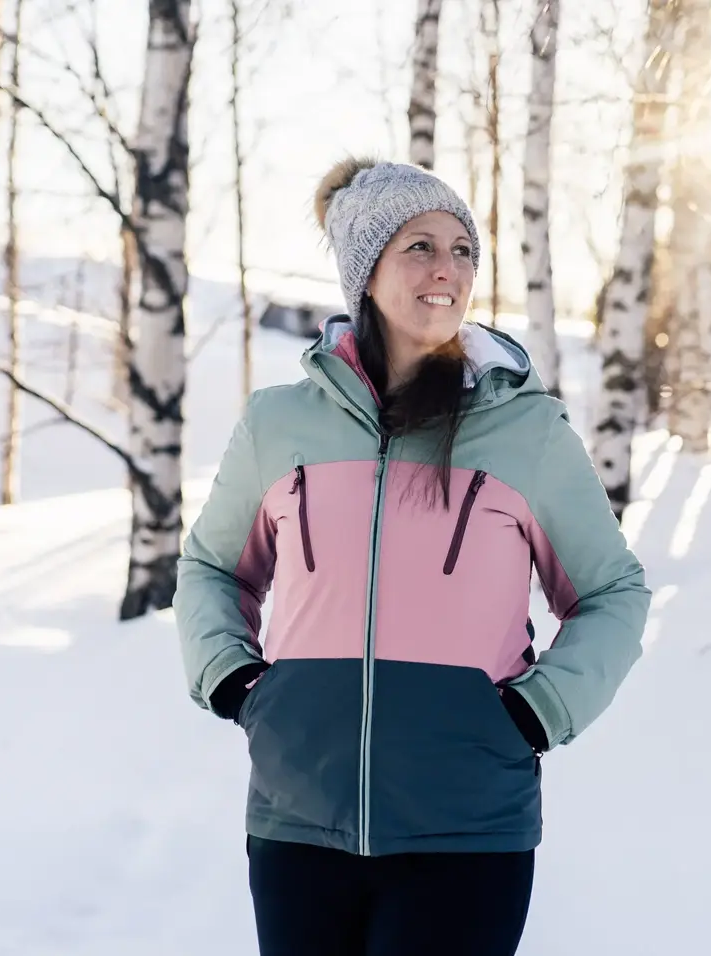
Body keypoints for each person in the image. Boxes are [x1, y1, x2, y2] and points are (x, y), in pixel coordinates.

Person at [174, 157, 650, 956]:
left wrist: (538, 711)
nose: (448, 269)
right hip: (299, 820)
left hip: (466, 831)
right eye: (421, 246)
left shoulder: (525, 431)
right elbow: (211, 568)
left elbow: (613, 591)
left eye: (464, 250)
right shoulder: (280, 424)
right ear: (366, 272)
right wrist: (234, 681)